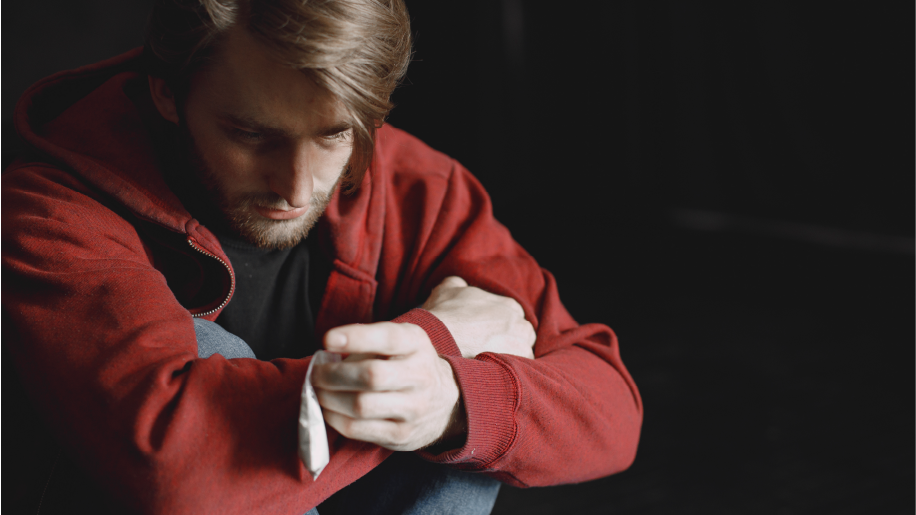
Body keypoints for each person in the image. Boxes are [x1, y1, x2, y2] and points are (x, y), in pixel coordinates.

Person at [1, 0, 643, 513]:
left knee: (464, 421)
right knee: (213, 357)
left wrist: (445, 400)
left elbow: (610, 409)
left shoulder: (420, 189)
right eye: (250, 134)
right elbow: (177, 471)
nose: (297, 185)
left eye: (335, 133)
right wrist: (435, 340)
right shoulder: (50, 212)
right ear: (167, 93)